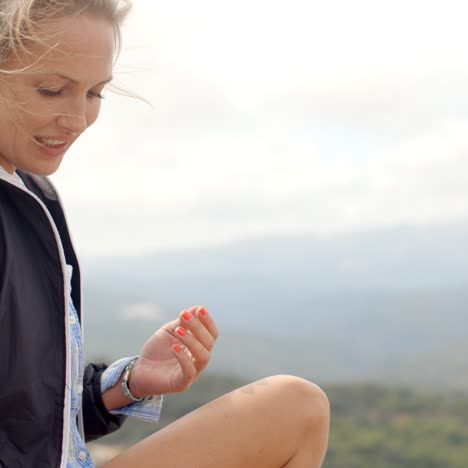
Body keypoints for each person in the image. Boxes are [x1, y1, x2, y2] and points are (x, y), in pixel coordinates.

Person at [0, 1, 330, 467]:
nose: (77, 119)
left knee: (295, 408)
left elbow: (29, 421)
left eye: (95, 93)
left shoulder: (34, 196)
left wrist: (131, 382)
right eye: (53, 90)